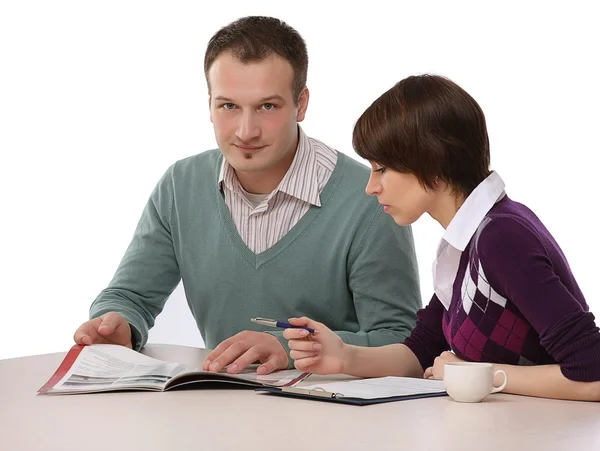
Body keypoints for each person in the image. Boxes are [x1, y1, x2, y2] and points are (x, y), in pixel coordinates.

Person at [72, 16, 422, 375]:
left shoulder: (370, 197)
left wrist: (289, 349)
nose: (245, 131)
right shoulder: (180, 186)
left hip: (336, 418)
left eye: (267, 107)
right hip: (220, 408)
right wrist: (118, 325)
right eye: (228, 106)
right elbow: (129, 297)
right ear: (209, 103)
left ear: (301, 104)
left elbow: (403, 343)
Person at [284, 74, 600, 401]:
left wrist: (478, 374)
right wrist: (344, 356)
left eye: (382, 169)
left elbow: (592, 370)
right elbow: (420, 352)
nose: (371, 187)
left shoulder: (501, 239)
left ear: (432, 163)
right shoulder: (466, 242)